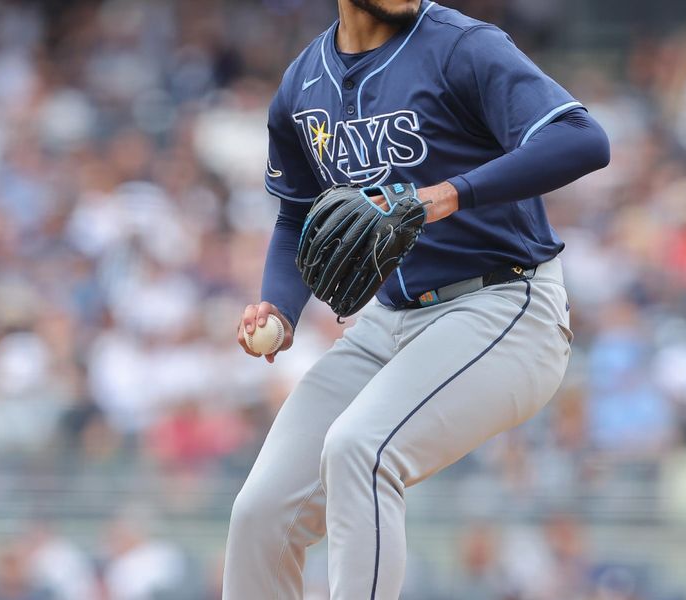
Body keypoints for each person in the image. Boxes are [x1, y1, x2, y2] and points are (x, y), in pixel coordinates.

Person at [224, 1, 610, 598]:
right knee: (260, 514)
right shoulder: (302, 83)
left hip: (504, 305)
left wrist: (451, 194)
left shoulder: (462, 45)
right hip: (388, 321)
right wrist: (279, 306)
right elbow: (297, 216)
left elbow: (582, 139)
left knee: (362, 449)